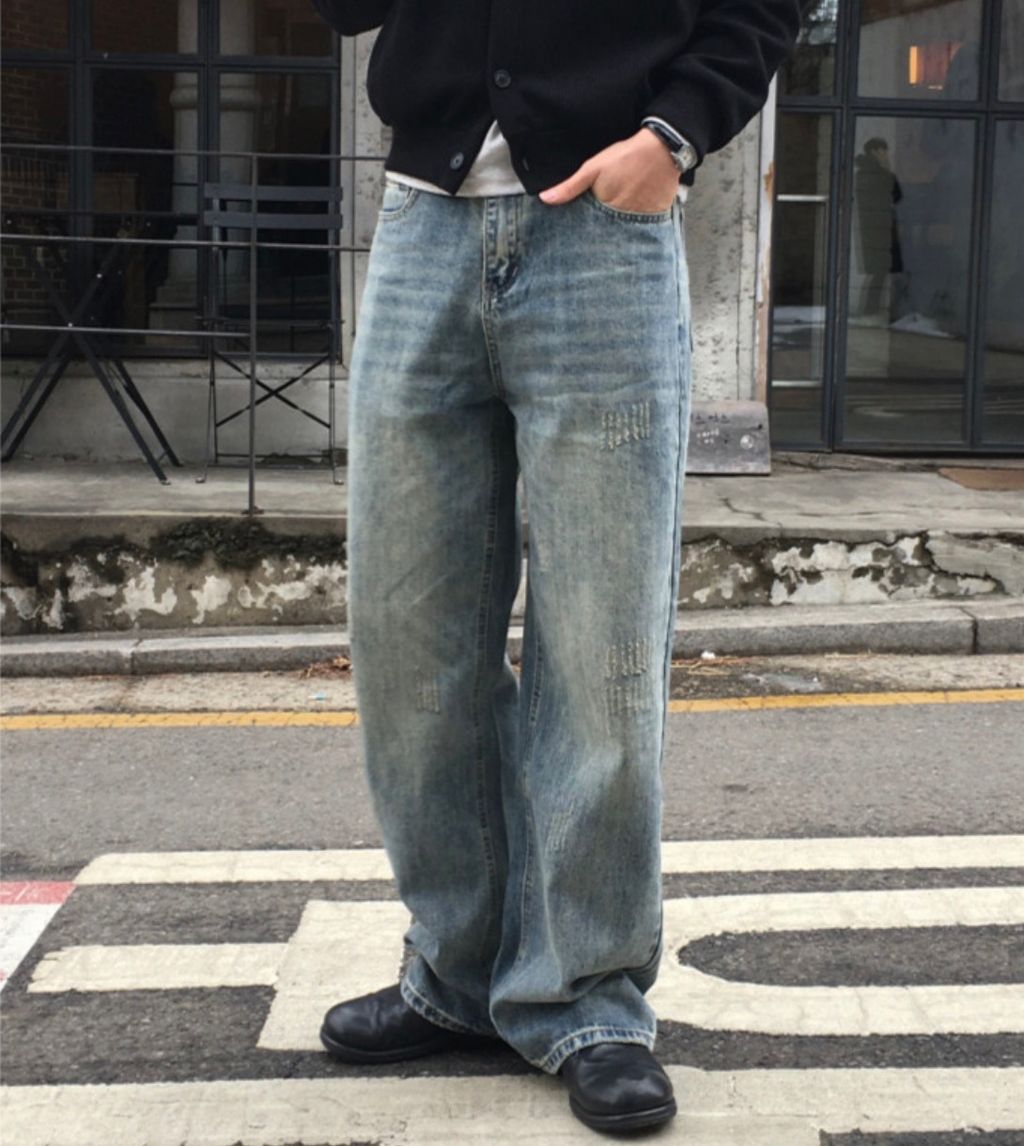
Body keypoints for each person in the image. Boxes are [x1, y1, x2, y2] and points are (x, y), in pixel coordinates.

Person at [310, 0, 802, 1133]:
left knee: (601, 647)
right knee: (410, 640)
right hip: (422, 225)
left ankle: (586, 996)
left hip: (604, 231)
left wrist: (672, 136)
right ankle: (457, 970)